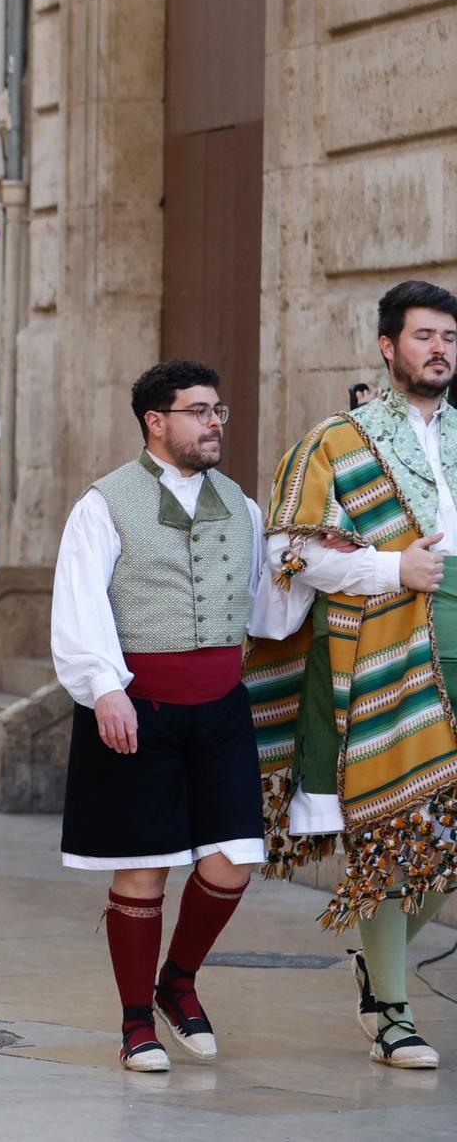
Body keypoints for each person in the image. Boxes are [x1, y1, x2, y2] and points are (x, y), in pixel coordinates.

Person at [244, 280, 457, 1070]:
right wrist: (389, 565)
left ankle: (379, 960)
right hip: (384, 655)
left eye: (450, 338)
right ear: (387, 347)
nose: (439, 349)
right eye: (424, 335)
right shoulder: (336, 441)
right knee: (398, 835)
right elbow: (285, 553)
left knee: (448, 845)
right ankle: (394, 1009)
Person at [53, 360, 269, 1073]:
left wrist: (317, 566)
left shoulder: (242, 505)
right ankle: (135, 1021)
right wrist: (103, 686)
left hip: (221, 706)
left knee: (234, 858)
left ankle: (178, 978)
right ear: (156, 421)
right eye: (199, 410)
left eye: (219, 410)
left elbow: (267, 609)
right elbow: (79, 601)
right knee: (142, 869)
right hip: (138, 708)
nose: (214, 423)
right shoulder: (104, 503)